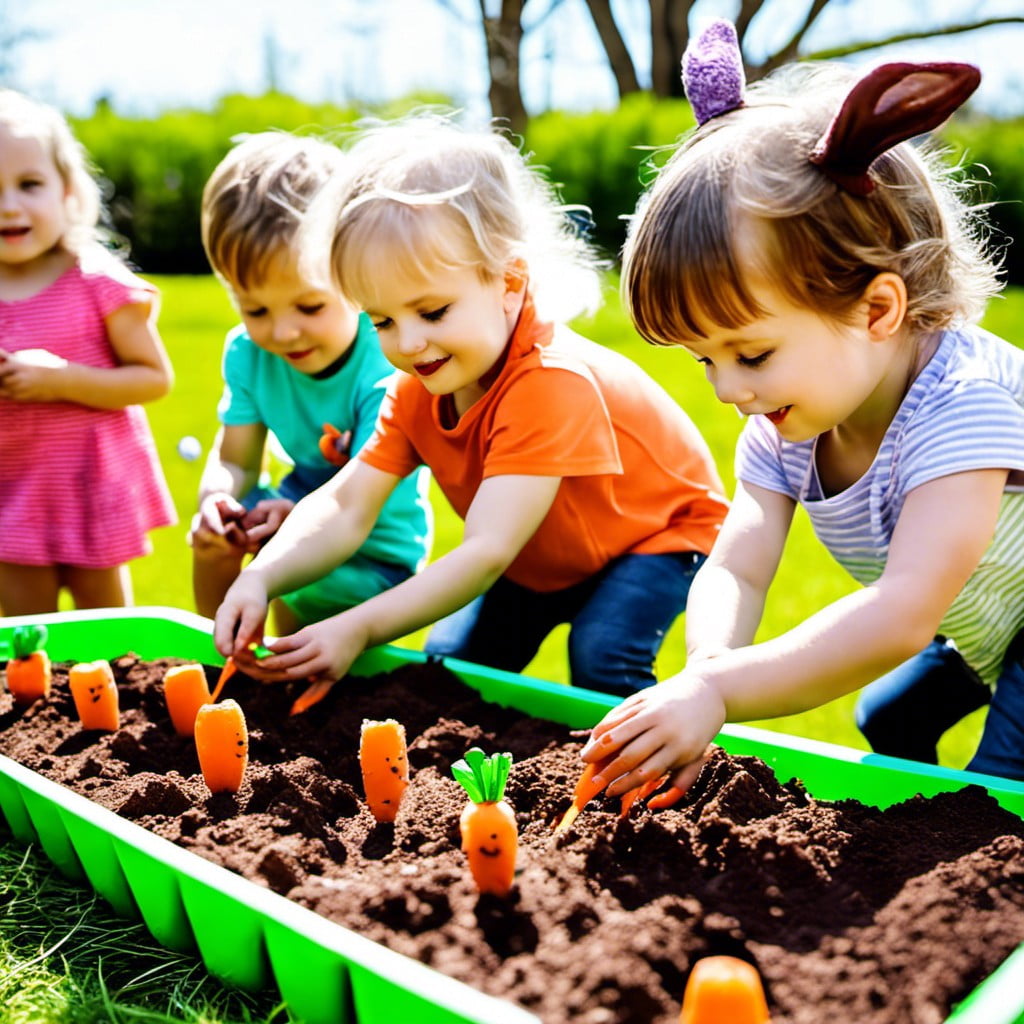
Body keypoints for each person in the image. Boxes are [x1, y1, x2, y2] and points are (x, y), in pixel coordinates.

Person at [581, 20, 1024, 795]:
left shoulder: (964, 406)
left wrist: (719, 695)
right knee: (889, 722)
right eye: (704, 359)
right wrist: (706, 674)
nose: (727, 390)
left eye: (750, 354)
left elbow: (901, 613)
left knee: (996, 797)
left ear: (878, 310)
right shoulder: (787, 423)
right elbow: (738, 567)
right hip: (988, 619)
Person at [213, 114, 728, 701]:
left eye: (431, 313)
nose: (407, 344)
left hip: (657, 537)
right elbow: (346, 503)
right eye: (382, 320)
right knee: (449, 670)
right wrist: (262, 575)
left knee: (603, 656)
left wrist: (357, 626)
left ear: (509, 282)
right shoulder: (417, 387)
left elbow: (485, 550)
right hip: (539, 553)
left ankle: (659, 763)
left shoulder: (548, 383)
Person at [191, 132, 432, 634]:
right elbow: (236, 458)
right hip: (289, 512)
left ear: (353, 276)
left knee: (294, 603)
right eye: (255, 308)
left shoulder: (385, 361)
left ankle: (262, 663)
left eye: (309, 305)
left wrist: (290, 526)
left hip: (374, 552)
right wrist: (218, 497)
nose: (282, 332)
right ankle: (214, 659)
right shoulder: (248, 353)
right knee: (214, 538)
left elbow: (362, 498)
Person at [0, 89, 175, 615]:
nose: (10, 206)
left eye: (30, 185)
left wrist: (59, 379)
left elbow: (152, 378)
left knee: (109, 635)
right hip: (12, 492)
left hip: (90, 489)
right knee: (26, 643)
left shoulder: (95, 280)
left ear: (68, 190)